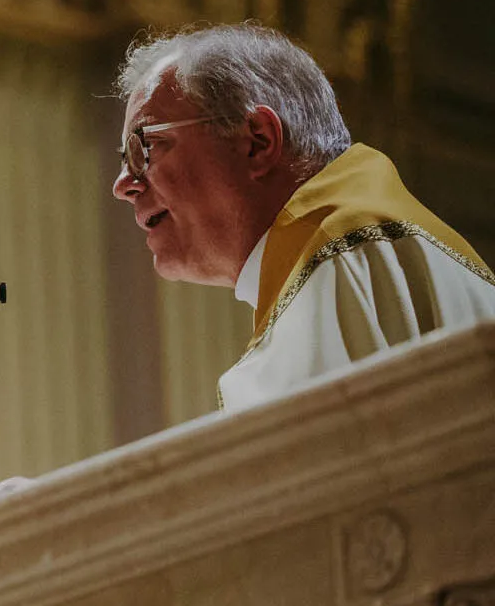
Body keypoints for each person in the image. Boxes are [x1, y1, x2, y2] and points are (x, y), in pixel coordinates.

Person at [112, 22, 495, 409]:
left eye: (144, 147)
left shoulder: (341, 257)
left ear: (257, 142)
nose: (123, 184)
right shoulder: (387, 248)